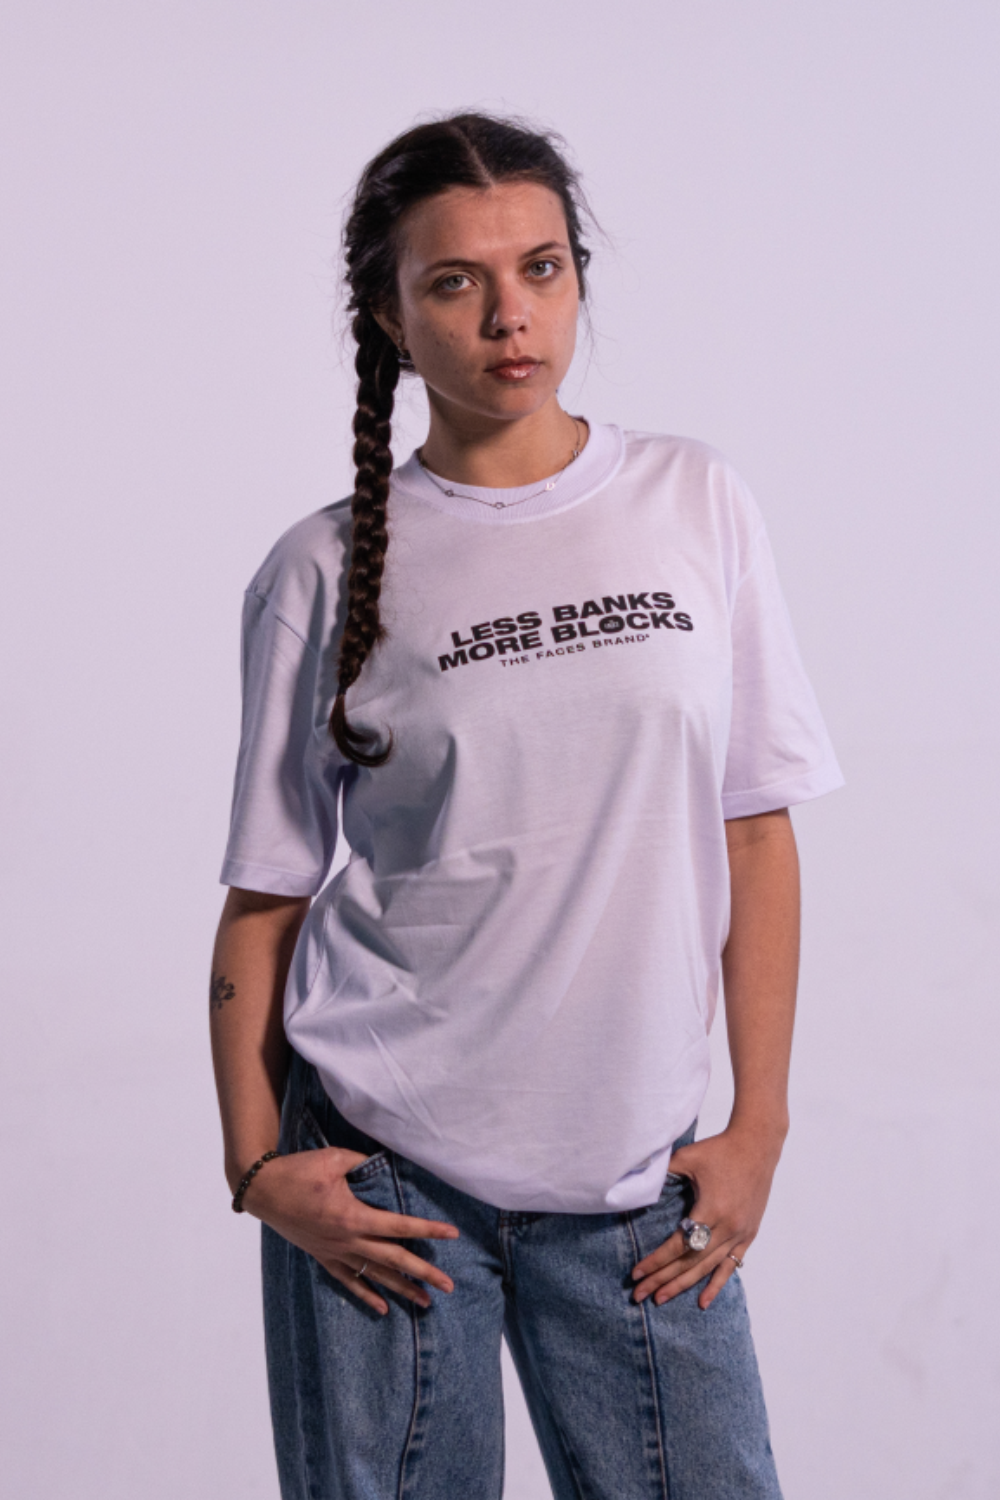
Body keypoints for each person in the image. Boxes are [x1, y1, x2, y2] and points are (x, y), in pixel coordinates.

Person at [209, 111, 843, 1500]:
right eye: (457, 281)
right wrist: (257, 1167)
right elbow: (267, 897)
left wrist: (761, 1126)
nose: (511, 316)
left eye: (541, 269)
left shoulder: (694, 501)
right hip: (382, 1176)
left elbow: (754, 830)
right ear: (389, 314)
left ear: (576, 279)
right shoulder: (321, 570)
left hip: (640, 1179)